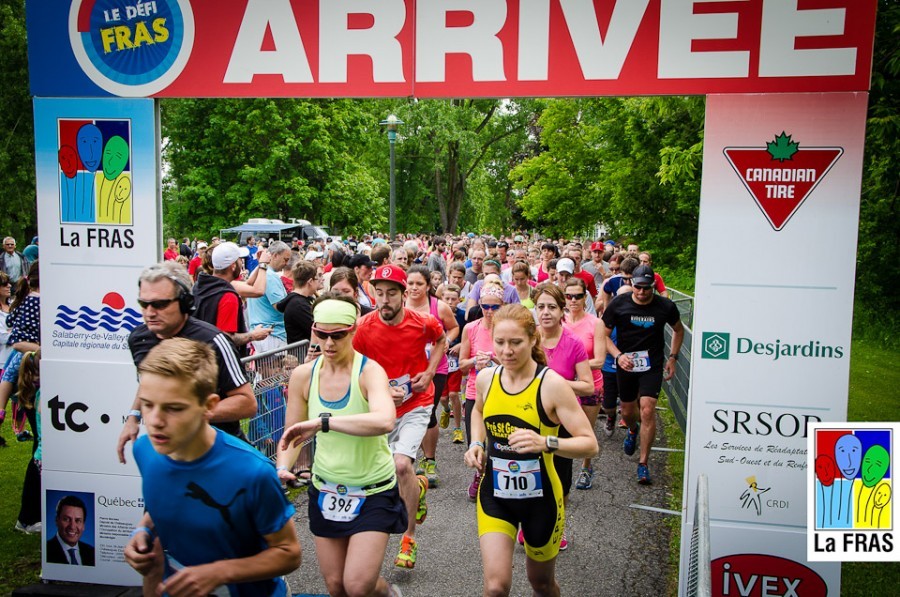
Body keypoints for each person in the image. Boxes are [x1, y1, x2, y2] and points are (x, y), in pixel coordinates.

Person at [123, 338, 301, 595]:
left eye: (174, 408)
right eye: (148, 405)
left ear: (209, 406)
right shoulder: (145, 450)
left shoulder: (253, 472)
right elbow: (167, 500)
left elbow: (289, 554)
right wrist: (143, 530)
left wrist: (219, 572)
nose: (155, 420)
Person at [464, 304, 598, 597]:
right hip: (495, 495)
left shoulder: (552, 385)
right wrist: (476, 443)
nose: (507, 351)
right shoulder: (487, 378)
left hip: (542, 501)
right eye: (500, 342)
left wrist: (547, 442)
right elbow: (478, 410)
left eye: (516, 342)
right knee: (495, 587)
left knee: (542, 584)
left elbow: (590, 443)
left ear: (533, 339)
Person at [276, 294, 404, 597]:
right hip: (327, 489)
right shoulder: (303, 376)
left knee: (357, 586)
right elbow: (292, 436)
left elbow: (385, 420)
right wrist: (282, 467)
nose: (329, 343)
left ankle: (387, 593)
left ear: (353, 331)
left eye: (338, 335)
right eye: (321, 334)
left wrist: (324, 422)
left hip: (372, 489)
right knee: (336, 586)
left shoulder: (369, 372)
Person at [351, 265, 447, 570]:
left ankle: (409, 538)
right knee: (384, 473)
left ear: (404, 295)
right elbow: (354, 368)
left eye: (391, 293)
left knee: (401, 464)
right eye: (379, 293)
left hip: (417, 402)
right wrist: (378, 392)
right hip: (382, 408)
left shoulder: (422, 322)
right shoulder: (363, 328)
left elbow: (442, 340)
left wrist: (429, 372)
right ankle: (417, 487)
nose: (384, 299)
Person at [117, 262, 255, 463]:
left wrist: (190, 414)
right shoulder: (138, 339)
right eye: (144, 304)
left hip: (219, 455)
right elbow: (149, 383)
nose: (150, 312)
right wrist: (133, 416)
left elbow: (247, 403)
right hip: (171, 454)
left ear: (185, 302)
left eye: (160, 304)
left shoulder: (213, 341)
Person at [602, 265, 684, 485]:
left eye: (646, 288)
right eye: (637, 287)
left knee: (647, 409)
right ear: (632, 284)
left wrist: (673, 358)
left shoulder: (665, 306)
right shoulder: (619, 303)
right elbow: (603, 335)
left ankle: (643, 463)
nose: (641, 292)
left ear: (653, 287)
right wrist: (618, 356)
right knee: (628, 412)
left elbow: (678, 330)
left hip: (652, 365)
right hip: (626, 364)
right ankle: (632, 429)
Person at [532, 283, 593, 549]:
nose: (545, 312)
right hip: (531, 415)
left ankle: (558, 525)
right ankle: (532, 523)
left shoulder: (573, 342)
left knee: (560, 477)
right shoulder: (529, 338)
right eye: (540, 307)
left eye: (551, 307)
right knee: (532, 473)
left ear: (561, 310)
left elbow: (588, 386)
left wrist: (555, 384)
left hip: (563, 418)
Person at [406, 266, 459, 488]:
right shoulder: (401, 306)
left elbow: (454, 328)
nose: (414, 288)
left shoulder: (439, 306)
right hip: (408, 368)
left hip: (436, 367)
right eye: (410, 283)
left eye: (419, 284)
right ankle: (411, 458)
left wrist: (447, 340)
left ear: (428, 286)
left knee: (428, 411)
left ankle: (429, 461)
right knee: (410, 413)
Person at [458, 279, 506, 501]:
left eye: (494, 307)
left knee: (500, 440)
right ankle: (480, 474)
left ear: (503, 306)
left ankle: (498, 478)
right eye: (485, 306)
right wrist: (474, 361)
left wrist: (495, 359)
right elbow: (461, 365)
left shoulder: (507, 329)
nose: (489, 311)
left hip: (502, 391)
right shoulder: (471, 328)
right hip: (475, 391)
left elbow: (519, 363)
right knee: (475, 440)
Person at [562, 278, 605, 490]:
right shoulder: (559, 322)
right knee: (561, 429)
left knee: (586, 429)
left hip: (590, 385)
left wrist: (576, 365)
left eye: (578, 296)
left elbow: (600, 360)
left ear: (585, 297)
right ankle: (559, 466)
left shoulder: (595, 323)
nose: (573, 300)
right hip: (564, 385)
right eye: (569, 296)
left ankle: (586, 468)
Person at [192, 242, 273, 354]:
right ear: (233, 266)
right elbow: (226, 338)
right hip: (219, 360)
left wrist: (260, 264)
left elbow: (248, 284)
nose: (242, 262)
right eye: (240, 259)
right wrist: (253, 335)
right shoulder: (227, 296)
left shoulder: (201, 285)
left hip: (201, 356)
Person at [247, 241, 294, 352]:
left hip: (263, 332)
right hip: (272, 335)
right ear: (275, 256)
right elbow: (280, 306)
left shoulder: (259, 272)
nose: (286, 264)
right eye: (285, 259)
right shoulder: (270, 276)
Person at [14, 350, 41, 535]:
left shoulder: (31, 390)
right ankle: (27, 519)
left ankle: (29, 518)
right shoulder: (38, 393)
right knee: (35, 474)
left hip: (40, 449)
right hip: (41, 451)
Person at [438, 283, 466, 444]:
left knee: (454, 394)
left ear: (459, 300)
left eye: (453, 299)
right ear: (441, 298)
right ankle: (446, 409)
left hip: (456, 359)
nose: (450, 302)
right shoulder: (437, 314)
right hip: (440, 359)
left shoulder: (462, 315)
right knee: (443, 397)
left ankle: (457, 429)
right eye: (447, 298)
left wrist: (460, 345)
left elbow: (468, 335)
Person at [276, 260, 322, 345]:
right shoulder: (298, 305)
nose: (319, 280)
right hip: (302, 351)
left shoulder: (304, 300)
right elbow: (317, 329)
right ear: (310, 282)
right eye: (317, 278)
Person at [47, 495, 95, 566]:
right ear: (57, 521)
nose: (72, 526)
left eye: (78, 520)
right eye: (66, 519)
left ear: (83, 525)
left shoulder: (92, 553)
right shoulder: (46, 550)